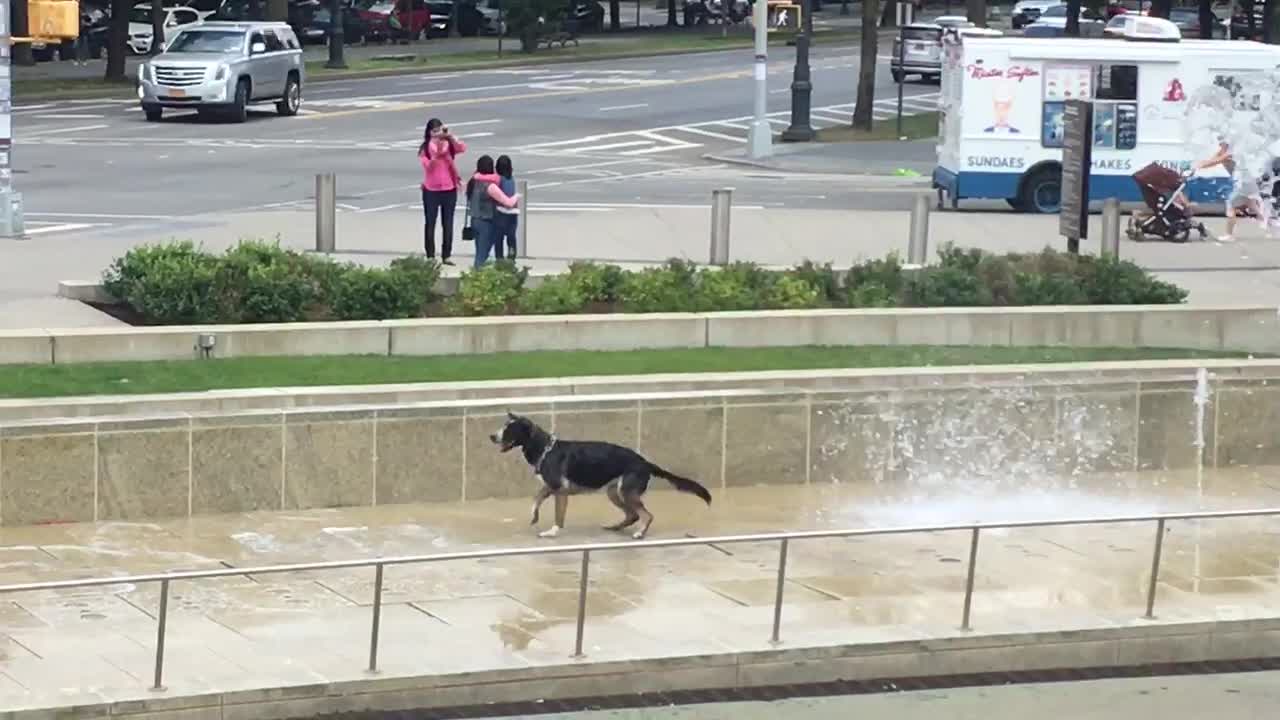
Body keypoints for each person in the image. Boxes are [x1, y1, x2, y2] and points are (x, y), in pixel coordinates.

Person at [418, 118, 465, 265]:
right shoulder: (425, 149)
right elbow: (429, 167)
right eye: (434, 131)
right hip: (431, 190)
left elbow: (462, 148)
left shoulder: (448, 144)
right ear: (429, 132)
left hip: (449, 188)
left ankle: (447, 255)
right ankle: (430, 255)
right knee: (430, 223)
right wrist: (436, 154)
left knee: (448, 223)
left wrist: (450, 136)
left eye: (439, 130)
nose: (437, 134)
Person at [1196, 140, 1261, 243]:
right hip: (1247, 182)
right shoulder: (1223, 152)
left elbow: (1214, 162)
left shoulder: (1231, 153)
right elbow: (1212, 159)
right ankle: (1275, 224)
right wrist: (1202, 164)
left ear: (1227, 145)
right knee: (1255, 208)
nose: (1219, 145)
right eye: (1220, 143)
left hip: (1243, 183)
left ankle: (1229, 235)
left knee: (1230, 205)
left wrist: (1201, 166)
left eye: (1222, 144)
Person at [465, 155, 520, 268]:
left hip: (474, 220)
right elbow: (508, 202)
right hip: (486, 222)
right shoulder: (491, 186)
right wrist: (517, 196)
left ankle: (478, 272)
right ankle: (477, 276)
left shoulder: (473, 182)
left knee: (479, 251)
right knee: (483, 254)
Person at [492, 155, 519, 260]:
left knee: (499, 238)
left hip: (500, 212)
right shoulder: (511, 179)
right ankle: (512, 257)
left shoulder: (498, 179)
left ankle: (499, 259)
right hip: (513, 212)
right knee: (511, 237)